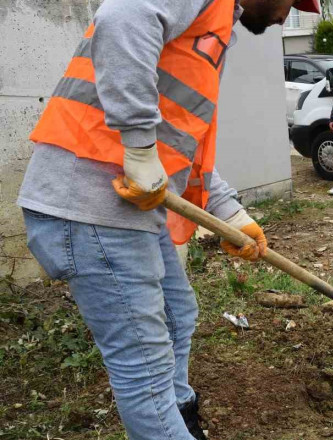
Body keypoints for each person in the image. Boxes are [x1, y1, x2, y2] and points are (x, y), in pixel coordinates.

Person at [15, 0, 313, 438]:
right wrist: (137, 147)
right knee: (145, 370)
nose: (287, 16)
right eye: (293, 1)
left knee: (178, 315)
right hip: (90, 205)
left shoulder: (213, 31)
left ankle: (181, 420)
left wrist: (231, 211)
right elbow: (120, 18)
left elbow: (179, 145)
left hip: (130, 208)